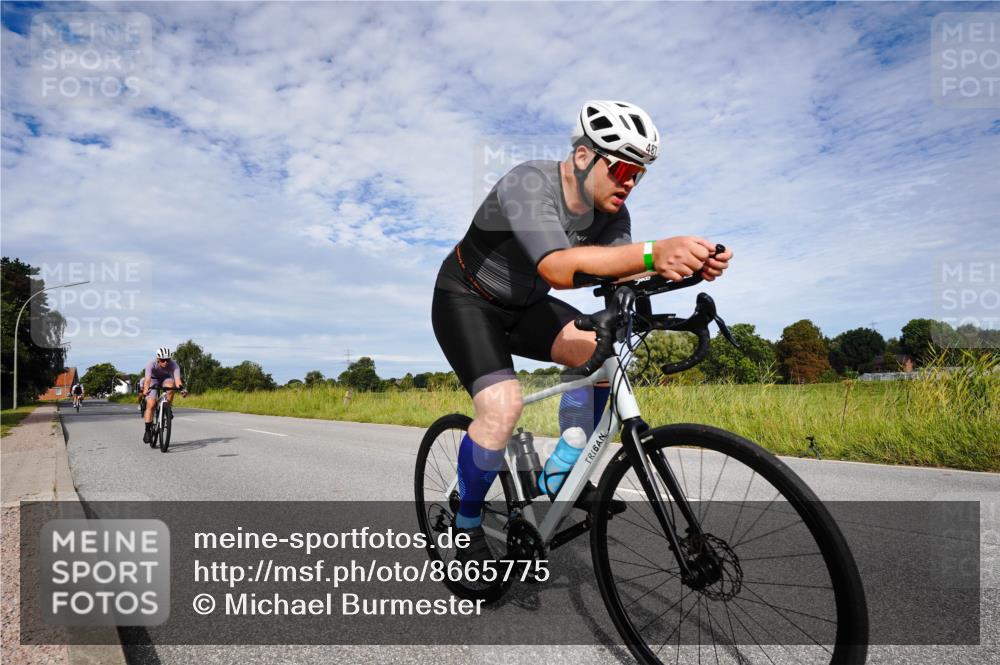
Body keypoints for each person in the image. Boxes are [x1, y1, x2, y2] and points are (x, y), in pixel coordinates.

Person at [431, 100, 733, 562]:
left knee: (602, 354)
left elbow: (619, 272)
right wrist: (655, 252)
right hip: (466, 300)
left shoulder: (612, 217)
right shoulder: (528, 182)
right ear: (583, 156)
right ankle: (466, 523)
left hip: (526, 306)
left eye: (639, 174)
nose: (629, 183)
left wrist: (687, 268)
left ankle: (560, 473)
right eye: (621, 169)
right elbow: (556, 266)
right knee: (502, 405)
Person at [141, 347, 187, 443]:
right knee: (151, 404)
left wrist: (182, 389)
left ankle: (168, 408)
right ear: (158, 359)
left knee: (171, 386)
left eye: (167, 360)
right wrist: (145, 390)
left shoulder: (174, 365)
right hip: (153, 380)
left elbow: (178, 380)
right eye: (163, 360)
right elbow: (147, 380)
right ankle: (147, 431)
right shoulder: (151, 364)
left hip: (166, 379)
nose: (165, 362)